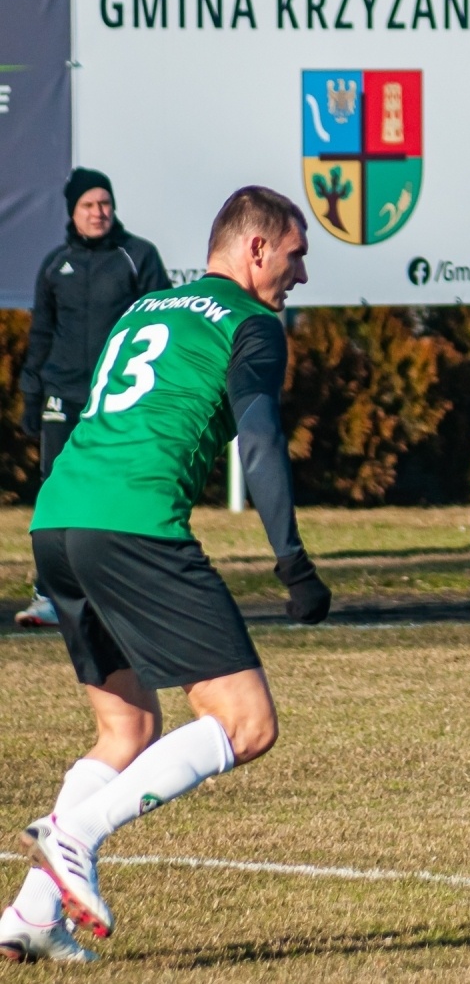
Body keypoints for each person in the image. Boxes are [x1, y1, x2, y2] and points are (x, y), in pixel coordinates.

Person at [1, 186, 331, 964]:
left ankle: (30, 914)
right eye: (296, 255)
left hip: (57, 522)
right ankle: (76, 834)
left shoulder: (146, 309)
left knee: (126, 728)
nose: (301, 275)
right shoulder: (252, 325)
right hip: (131, 525)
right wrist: (294, 563)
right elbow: (260, 444)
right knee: (247, 723)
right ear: (256, 250)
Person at [15, 168, 170, 628]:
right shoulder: (54, 264)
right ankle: (50, 593)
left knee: (120, 490)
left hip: (119, 398)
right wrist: (30, 394)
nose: (99, 212)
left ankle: (122, 590)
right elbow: (41, 334)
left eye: (105, 203)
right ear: (72, 212)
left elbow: (161, 328)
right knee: (56, 490)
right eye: (89, 205)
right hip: (61, 396)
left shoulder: (137, 256)